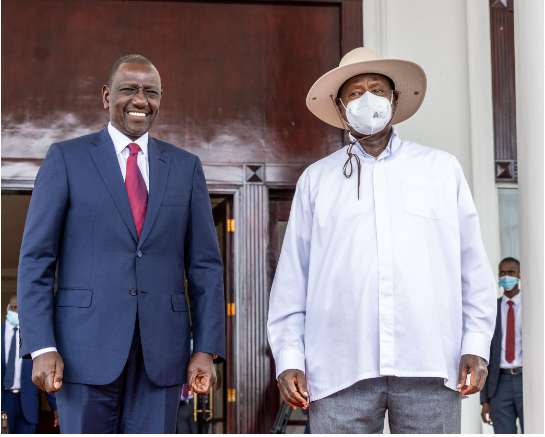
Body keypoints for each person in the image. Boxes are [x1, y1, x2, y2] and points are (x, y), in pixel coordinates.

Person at [267, 47, 497, 434]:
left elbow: (471, 265)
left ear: (393, 100)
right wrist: (289, 357)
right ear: (341, 108)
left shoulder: (441, 169)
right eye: (355, 93)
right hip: (339, 368)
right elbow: (293, 278)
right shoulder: (317, 180)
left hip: (429, 362)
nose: (367, 99)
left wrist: (476, 343)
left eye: (377, 89)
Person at [17, 54, 226, 433]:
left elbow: (205, 267)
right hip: (81, 353)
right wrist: (42, 347)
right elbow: (36, 260)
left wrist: (205, 348)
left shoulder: (186, 167)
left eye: (151, 92)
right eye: (129, 89)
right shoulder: (66, 159)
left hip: (162, 355)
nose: (140, 101)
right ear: (105, 95)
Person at [2, 294, 58, 433]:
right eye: (13, 308)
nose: (16, 312)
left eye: (19, 308)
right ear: (8, 308)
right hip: (4, 400)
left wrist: (56, 407)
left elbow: (45, 371)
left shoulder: (36, 338)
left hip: (28, 403)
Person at [481, 257, 523, 433]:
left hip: (526, 380)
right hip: (499, 384)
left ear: (519, 275)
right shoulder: (492, 308)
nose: (507, 276)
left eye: (511, 272)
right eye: (503, 273)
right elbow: (485, 352)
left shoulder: (533, 305)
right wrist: (485, 400)